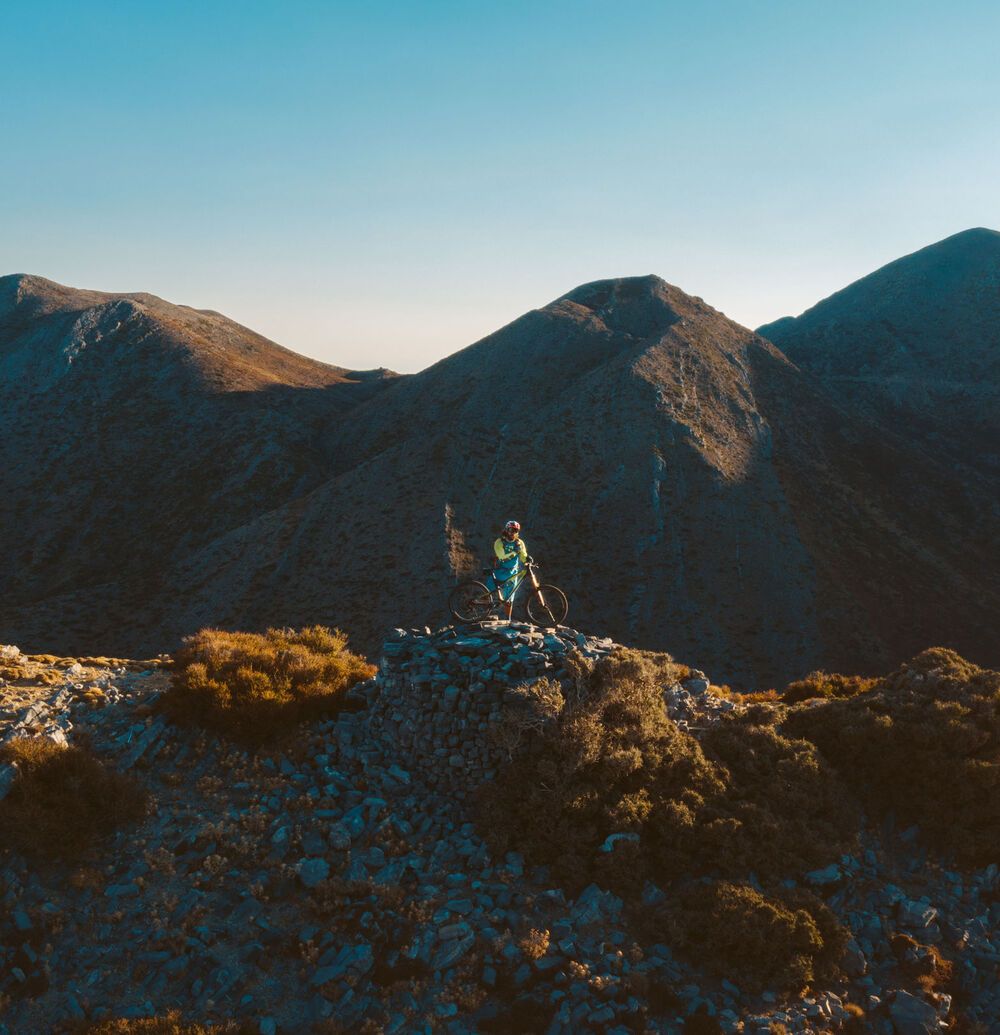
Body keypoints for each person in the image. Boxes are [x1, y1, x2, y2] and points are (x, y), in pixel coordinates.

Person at [488, 519, 528, 620]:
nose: (512, 532)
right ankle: (484, 613)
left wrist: (527, 560)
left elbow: (523, 555)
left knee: (510, 597)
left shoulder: (519, 543)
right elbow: (502, 556)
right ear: (506, 530)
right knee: (490, 592)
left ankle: (507, 619)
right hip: (500, 570)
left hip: (513, 572)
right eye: (510, 530)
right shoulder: (499, 542)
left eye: (515, 530)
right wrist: (515, 552)